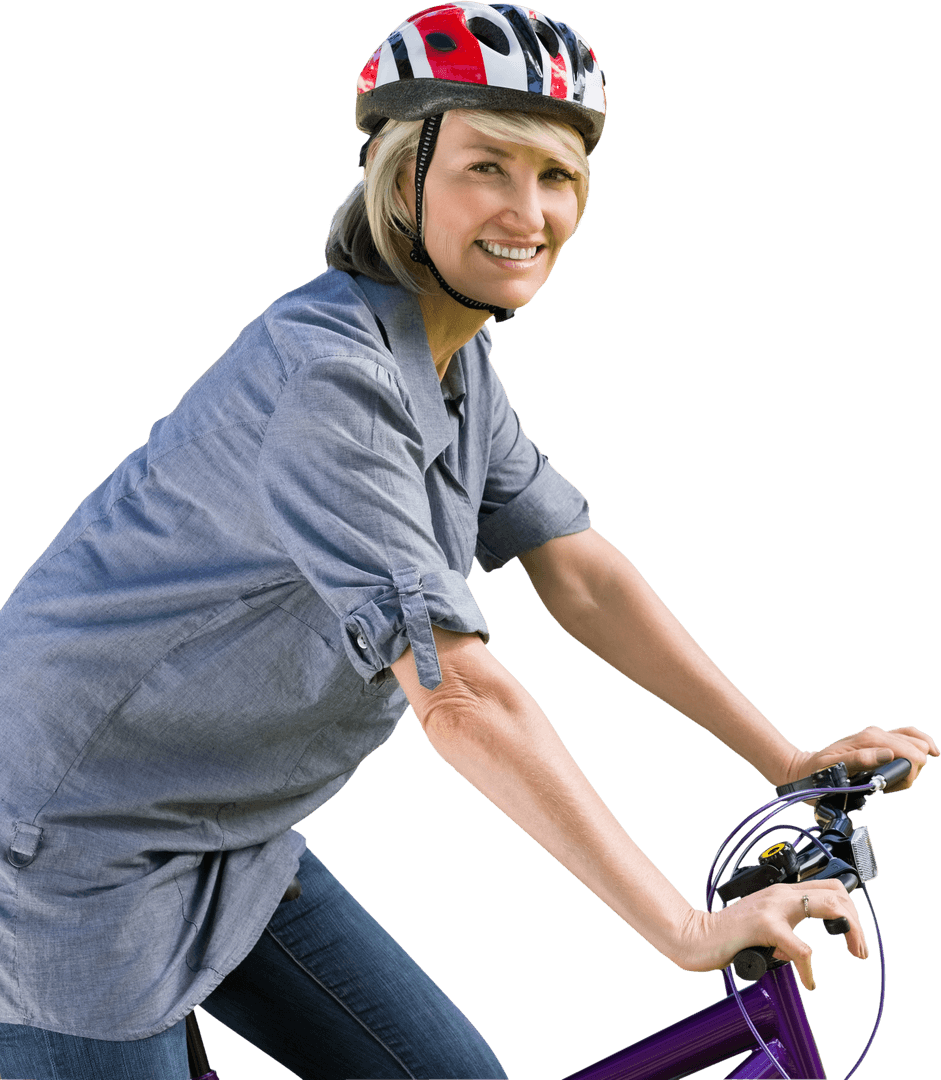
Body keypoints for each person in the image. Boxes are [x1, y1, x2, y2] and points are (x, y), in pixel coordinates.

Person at [0, 3, 936, 1078]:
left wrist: (784, 759)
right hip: (62, 851)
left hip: (226, 826)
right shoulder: (331, 381)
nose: (527, 211)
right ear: (404, 180)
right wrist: (682, 928)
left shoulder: (448, 361)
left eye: (557, 176)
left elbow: (579, 575)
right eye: (487, 167)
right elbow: (462, 698)